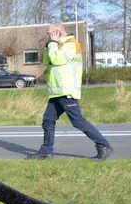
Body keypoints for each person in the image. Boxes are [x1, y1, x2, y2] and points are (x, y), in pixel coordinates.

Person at [26, 24, 113, 161]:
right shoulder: (56, 45)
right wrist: (50, 45)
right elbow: (47, 61)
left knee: (77, 121)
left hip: (67, 90)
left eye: (50, 33)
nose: (47, 36)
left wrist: (53, 43)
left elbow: (56, 60)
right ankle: (46, 152)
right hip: (57, 92)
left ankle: (104, 145)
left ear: (58, 32)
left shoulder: (71, 44)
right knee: (48, 120)